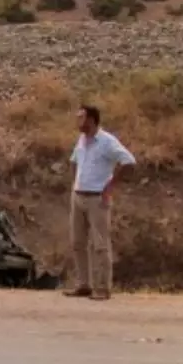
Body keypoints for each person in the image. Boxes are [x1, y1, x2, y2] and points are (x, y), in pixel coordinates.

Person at [64, 105, 135, 301]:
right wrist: (75, 182)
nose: (78, 122)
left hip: (97, 198)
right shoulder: (82, 140)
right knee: (78, 242)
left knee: (100, 245)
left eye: (81, 118)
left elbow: (128, 161)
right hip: (78, 196)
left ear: (92, 120)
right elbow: (74, 160)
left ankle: (102, 288)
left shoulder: (107, 142)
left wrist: (110, 186)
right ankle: (83, 284)